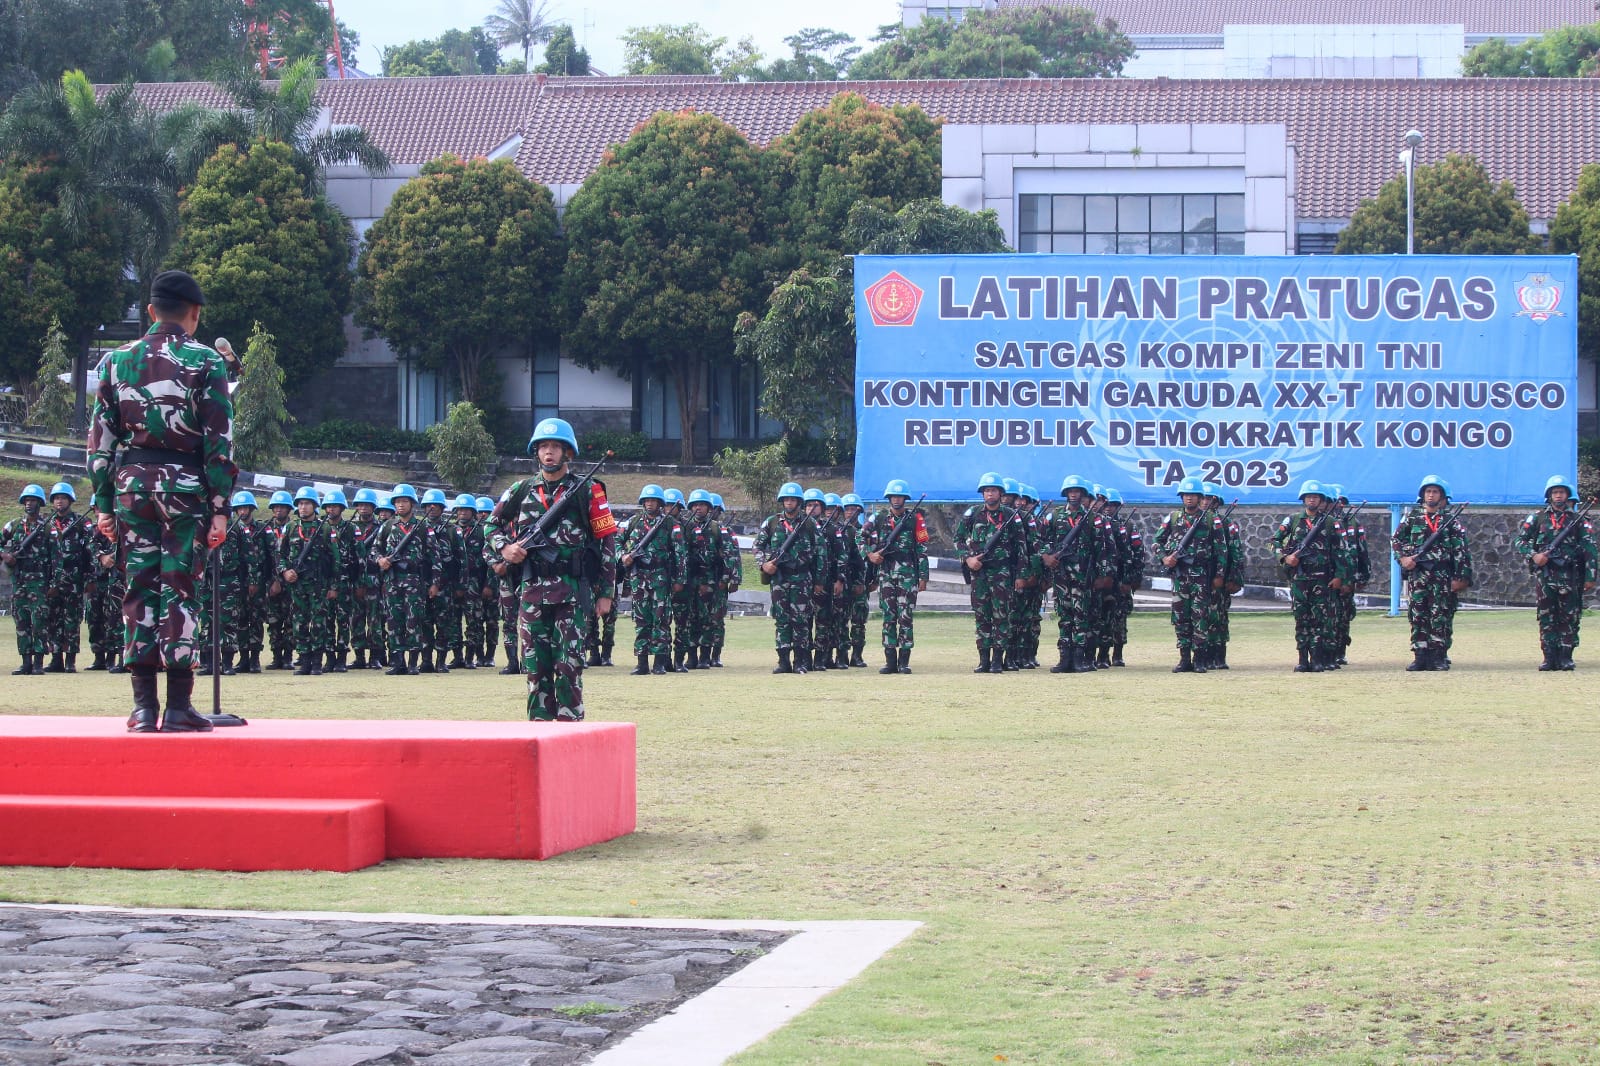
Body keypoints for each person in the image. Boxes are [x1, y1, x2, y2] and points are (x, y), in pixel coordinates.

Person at [86, 269, 237, 732]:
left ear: (150, 312)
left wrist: (104, 503)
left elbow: (100, 440)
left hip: (133, 490)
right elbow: (219, 441)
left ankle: (142, 707)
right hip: (186, 491)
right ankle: (177, 708)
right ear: (194, 315)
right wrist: (219, 508)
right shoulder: (206, 360)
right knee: (180, 590)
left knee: (139, 588)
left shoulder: (115, 361)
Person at [486, 418, 616, 721]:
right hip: (532, 591)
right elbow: (490, 524)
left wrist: (606, 593)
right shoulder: (520, 489)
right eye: (543, 446)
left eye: (555, 447)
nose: (549, 452)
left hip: (571, 591)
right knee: (535, 668)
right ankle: (539, 731)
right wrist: (505, 548)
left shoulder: (589, 490)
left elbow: (607, 543)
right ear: (536, 451)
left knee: (568, 667)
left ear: (567, 453)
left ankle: (569, 730)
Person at [1391, 473, 1473, 671]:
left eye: (1435, 492)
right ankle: (1420, 656)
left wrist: (1461, 578)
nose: (1431, 495)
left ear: (1442, 497)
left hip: (1442, 576)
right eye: (1428, 491)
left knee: (1440, 615)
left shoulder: (1450, 521)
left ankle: (1438, 656)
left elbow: (1461, 550)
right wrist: (1403, 558)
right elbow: (1396, 540)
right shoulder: (1411, 517)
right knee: (1418, 614)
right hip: (1418, 576)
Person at [1515, 473, 1596, 670]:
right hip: (1546, 575)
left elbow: (1590, 550)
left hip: (1570, 575)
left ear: (1568, 496)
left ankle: (1566, 655)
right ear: (1549, 495)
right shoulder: (1538, 517)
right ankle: (1549, 656)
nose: (1558, 496)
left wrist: (1590, 576)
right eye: (1555, 492)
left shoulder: (1578, 520)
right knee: (1546, 615)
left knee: (1570, 616)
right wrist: (1534, 556)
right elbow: (1521, 542)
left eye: (1561, 492)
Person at [1272, 480, 1352, 673]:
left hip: (1322, 579)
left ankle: (1317, 658)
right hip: (1299, 579)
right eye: (1309, 497)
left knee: (1320, 619)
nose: (1312, 500)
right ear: (1303, 499)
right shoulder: (1292, 521)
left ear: (1321, 500)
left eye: (1315, 497)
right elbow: (1274, 541)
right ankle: (1302, 658)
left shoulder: (1332, 523)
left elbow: (1343, 551)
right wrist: (1284, 557)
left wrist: (1340, 576)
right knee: (1301, 619)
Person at [954, 472, 1027, 673]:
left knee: (1001, 616)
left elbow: (1021, 547)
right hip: (980, 573)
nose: (990, 494)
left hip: (1002, 573)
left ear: (1000, 493)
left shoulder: (1011, 516)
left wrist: (1020, 575)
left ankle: (997, 660)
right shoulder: (972, 514)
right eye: (986, 490)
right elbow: (958, 539)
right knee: (981, 616)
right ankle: (983, 659)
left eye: (993, 490)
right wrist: (968, 558)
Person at [1151, 475, 1224, 673]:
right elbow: (1157, 541)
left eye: (1193, 495)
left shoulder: (1211, 518)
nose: (1189, 498)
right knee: (1181, 617)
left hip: (1201, 576)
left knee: (1200, 616)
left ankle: (1200, 659)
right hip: (1180, 576)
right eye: (1185, 495)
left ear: (1200, 497)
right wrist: (1165, 558)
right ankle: (1184, 658)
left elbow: (1221, 550)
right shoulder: (1173, 517)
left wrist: (1219, 575)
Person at [1040, 474, 1111, 674]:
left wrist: (1101, 575)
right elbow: (1041, 540)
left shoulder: (1093, 518)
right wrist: (1047, 557)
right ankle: (1065, 659)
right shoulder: (1054, 516)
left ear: (1082, 494)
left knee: (1081, 617)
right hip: (1062, 575)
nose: (1073, 495)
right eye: (1070, 491)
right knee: (1064, 616)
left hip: (1083, 575)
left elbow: (1101, 549)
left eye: (1077, 491)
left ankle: (1079, 659)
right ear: (1065, 494)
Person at [755, 481, 822, 674]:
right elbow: (757, 546)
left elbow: (821, 553)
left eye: (793, 500)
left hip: (802, 577)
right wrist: (763, 564)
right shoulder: (772, 522)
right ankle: (783, 660)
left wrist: (819, 581)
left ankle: (800, 661)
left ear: (799, 502)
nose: (790, 503)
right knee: (781, 619)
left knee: (801, 620)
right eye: (787, 500)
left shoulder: (810, 523)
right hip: (780, 578)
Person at [863, 481, 928, 674]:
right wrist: (870, 554)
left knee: (905, 616)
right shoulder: (879, 517)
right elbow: (860, 536)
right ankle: (890, 660)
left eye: (900, 496)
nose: (897, 499)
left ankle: (904, 662)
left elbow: (922, 548)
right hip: (886, 573)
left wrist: (923, 576)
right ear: (889, 498)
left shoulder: (915, 518)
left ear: (905, 499)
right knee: (888, 616)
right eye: (893, 496)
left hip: (908, 573)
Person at [370, 483, 433, 675]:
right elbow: (374, 549)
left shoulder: (423, 527)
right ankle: (398, 662)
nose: (400, 505)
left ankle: (413, 662)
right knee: (393, 621)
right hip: (392, 580)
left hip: (414, 581)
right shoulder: (387, 527)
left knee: (414, 620)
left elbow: (434, 557)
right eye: (397, 502)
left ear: (412, 504)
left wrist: (435, 583)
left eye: (404, 501)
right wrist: (380, 560)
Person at [621, 483, 684, 675]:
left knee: (661, 620)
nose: (650, 504)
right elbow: (616, 543)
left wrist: (679, 579)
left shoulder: (670, 524)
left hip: (660, 578)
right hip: (638, 577)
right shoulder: (633, 522)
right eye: (647, 500)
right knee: (641, 620)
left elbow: (680, 554)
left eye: (654, 501)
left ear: (660, 503)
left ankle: (659, 663)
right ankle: (641, 663)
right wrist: (624, 555)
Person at [280, 487, 339, 675]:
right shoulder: (290, 527)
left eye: (307, 503)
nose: (303, 507)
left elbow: (335, 560)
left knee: (319, 622)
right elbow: (279, 554)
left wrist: (333, 586)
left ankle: (316, 662)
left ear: (314, 506)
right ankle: (304, 661)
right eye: (300, 503)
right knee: (299, 623)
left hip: (318, 585)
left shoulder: (326, 528)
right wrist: (285, 571)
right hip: (297, 584)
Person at [1, 484, 55, 676]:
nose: (29, 504)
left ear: (40, 503)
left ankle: (39, 662)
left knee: (39, 621)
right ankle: (25, 662)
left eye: (33, 501)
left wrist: (54, 584)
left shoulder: (48, 528)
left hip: (39, 582)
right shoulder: (14, 525)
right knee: (21, 621)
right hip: (19, 581)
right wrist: (5, 556)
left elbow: (56, 559)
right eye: (27, 501)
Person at [43, 481, 91, 673]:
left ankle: (70, 660)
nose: (59, 501)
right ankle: (56, 658)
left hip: (74, 579)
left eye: (63, 498)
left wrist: (89, 578)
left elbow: (90, 550)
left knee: (72, 619)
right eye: (56, 498)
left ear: (70, 500)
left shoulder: (81, 523)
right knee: (53, 619)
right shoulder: (46, 523)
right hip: (52, 579)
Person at [1100, 488, 1144, 667]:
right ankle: (1101, 654)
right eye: (1107, 505)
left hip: (1121, 580)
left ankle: (1117, 653)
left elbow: (1138, 554)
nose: (1109, 508)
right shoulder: (1098, 524)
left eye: (1113, 505)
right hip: (1103, 579)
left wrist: (1130, 580)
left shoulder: (1128, 526)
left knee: (1119, 619)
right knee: (1101, 618)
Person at [1203, 483, 1244, 671]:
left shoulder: (1227, 524)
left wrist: (1234, 578)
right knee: (1200, 617)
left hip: (1219, 578)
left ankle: (1219, 655)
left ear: (1217, 502)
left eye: (1209, 499)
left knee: (1218, 617)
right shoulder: (1192, 523)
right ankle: (1203, 655)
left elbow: (1235, 553)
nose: (1205, 502)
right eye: (1202, 498)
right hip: (1197, 578)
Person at [260, 490, 294, 669]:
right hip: (271, 582)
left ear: (289, 509)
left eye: (282, 507)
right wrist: (273, 580)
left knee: (290, 620)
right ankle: (276, 656)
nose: (279, 510)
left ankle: (288, 656)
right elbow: (264, 558)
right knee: (273, 621)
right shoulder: (265, 529)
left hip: (291, 582)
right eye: (276, 507)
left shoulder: (296, 527)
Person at [474, 495, 501, 667]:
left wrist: (490, 585)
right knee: (476, 621)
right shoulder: (474, 532)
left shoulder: (494, 534)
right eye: (480, 512)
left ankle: (490, 656)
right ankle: (478, 656)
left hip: (491, 584)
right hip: (474, 584)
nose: (482, 515)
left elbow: (494, 561)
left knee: (491, 622)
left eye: (486, 512)